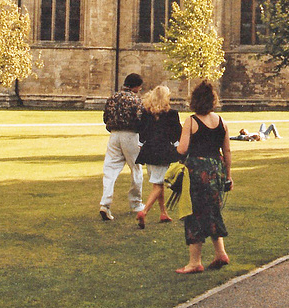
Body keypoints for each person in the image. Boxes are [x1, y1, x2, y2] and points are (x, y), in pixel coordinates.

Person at [175, 80, 233, 274]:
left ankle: (194, 262)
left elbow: (182, 149)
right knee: (213, 210)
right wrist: (228, 177)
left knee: (195, 214)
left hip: (197, 171)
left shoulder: (191, 121)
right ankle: (221, 253)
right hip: (217, 169)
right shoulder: (221, 122)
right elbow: (227, 151)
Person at [135, 85, 182, 228]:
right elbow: (177, 134)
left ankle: (163, 213)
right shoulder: (172, 113)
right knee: (158, 184)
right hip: (163, 151)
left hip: (148, 150)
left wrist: (141, 144)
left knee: (157, 182)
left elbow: (142, 133)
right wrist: (178, 149)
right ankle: (144, 211)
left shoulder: (146, 113)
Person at [99, 73, 144, 221]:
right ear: (136, 86)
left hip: (114, 135)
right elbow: (140, 119)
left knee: (110, 170)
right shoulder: (135, 100)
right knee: (136, 169)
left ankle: (105, 203)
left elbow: (105, 117)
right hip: (130, 135)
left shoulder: (112, 98)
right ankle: (136, 203)